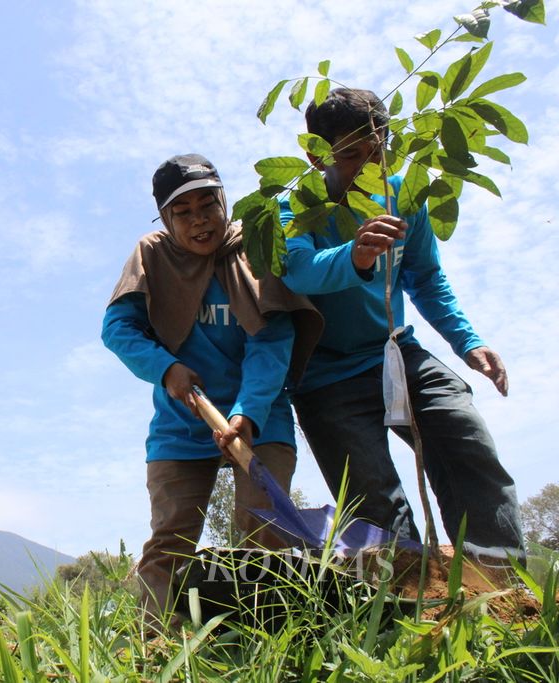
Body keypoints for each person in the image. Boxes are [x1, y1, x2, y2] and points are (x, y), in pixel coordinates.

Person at [279, 87, 524, 568]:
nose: (368, 166)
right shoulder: (293, 207)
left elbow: (426, 277)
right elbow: (298, 269)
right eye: (352, 156)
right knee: (374, 505)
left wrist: (467, 341)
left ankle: (502, 587)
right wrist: (356, 254)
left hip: (396, 353)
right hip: (326, 378)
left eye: (379, 151)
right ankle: (406, 601)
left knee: (464, 438)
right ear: (314, 153)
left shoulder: (400, 193)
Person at [102, 154, 322, 628]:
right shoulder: (151, 255)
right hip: (181, 424)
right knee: (170, 541)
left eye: (209, 205)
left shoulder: (252, 247)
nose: (200, 220)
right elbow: (118, 329)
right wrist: (167, 368)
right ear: (165, 218)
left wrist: (248, 412)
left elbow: (272, 340)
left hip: (259, 418)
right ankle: (158, 647)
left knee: (266, 529)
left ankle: (269, 639)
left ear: (225, 203)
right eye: (184, 212)